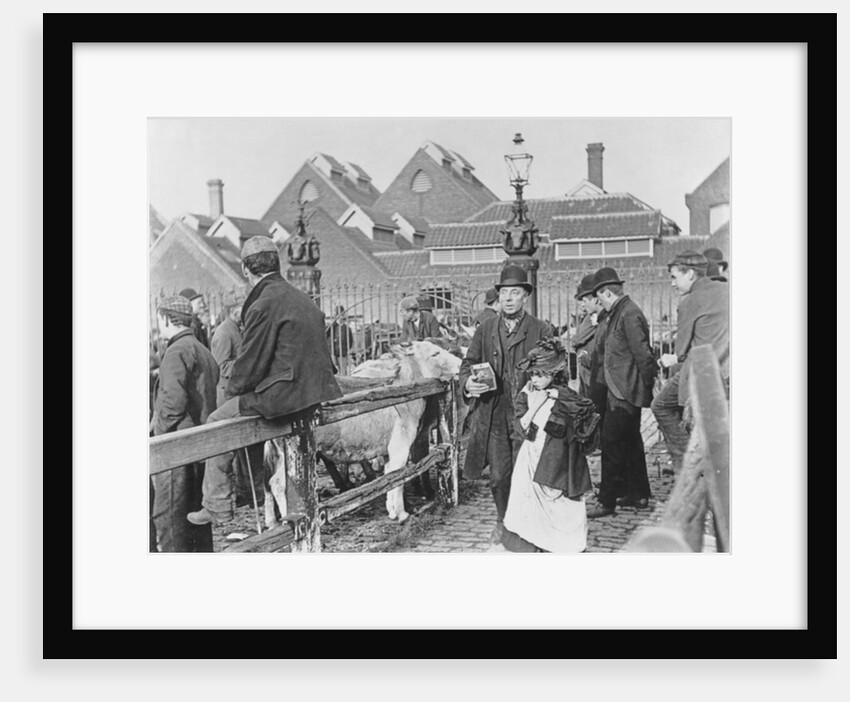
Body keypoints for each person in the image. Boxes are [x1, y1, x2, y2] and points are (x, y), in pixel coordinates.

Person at [187, 236, 343, 526]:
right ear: (277, 263)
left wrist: (234, 391)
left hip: (285, 398)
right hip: (314, 393)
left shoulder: (262, 304)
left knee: (215, 422)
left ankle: (217, 505)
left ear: (247, 270)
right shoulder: (301, 297)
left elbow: (250, 365)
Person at [460, 264, 554, 549]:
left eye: (515, 292)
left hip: (529, 416)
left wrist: (543, 382)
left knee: (530, 477)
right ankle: (504, 521)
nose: (508, 298)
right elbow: (467, 364)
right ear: (498, 297)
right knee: (499, 478)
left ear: (525, 296)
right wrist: (468, 384)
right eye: (504, 293)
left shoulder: (541, 329)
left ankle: (528, 528)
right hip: (495, 414)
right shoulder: (486, 328)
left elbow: (556, 369)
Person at [503, 338, 600, 553]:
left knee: (564, 505)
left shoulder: (564, 395)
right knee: (533, 505)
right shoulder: (526, 396)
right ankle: (541, 543)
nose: (535, 379)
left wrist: (560, 396)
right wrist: (534, 406)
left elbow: (587, 410)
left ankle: (567, 545)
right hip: (532, 457)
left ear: (554, 373)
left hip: (561, 459)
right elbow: (520, 429)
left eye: (541, 374)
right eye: (532, 374)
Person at [587, 267, 658, 518]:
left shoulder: (629, 314)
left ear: (607, 293)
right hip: (618, 389)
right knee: (630, 443)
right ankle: (638, 494)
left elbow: (643, 355)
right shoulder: (618, 313)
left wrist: (645, 387)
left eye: (598, 296)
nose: (597, 301)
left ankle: (606, 501)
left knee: (612, 444)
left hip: (624, 391)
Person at [150, 295, 219, 552]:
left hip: (175, 448)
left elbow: (173, 403)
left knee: (169, 519)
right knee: (195, 520)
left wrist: (157, 433)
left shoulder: (176, 351)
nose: (159, 325)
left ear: (168, 318)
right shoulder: (201, 348)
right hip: (199, 446)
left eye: (159, 319)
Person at [652, 251, 729, 473]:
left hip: (701, 374)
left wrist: (669, 359)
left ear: (691, 274)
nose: (672, 284)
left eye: (674, 277)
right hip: (725, 372)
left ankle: (685, 464)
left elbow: (681, 350)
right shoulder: (728, 291)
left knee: (661, 406)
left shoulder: (690, 302)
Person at [570, 274, 600, 397]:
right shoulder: (585, 317)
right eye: (580, 301)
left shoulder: (592, 317)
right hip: (586, 369)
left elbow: (577, 340)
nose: (582, 304)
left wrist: (578, 346)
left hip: (591, 369)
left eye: (584, 300)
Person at [327, 305, 355, 375]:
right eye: (337, 314)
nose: (340, 317)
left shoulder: (347, 328)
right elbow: (326, 334)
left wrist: (346, 348)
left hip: (342, 352)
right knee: (331, 372)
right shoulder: (331, 327)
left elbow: (350, 341)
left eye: (341, 315)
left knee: (343, 371)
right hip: (332, 352)